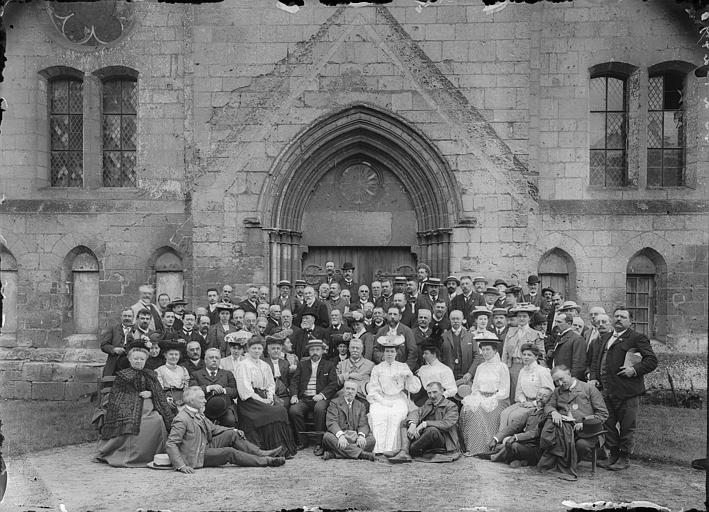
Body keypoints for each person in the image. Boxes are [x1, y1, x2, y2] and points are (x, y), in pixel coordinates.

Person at [590, 308, 658, 471]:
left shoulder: (637, 338)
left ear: (630, 321)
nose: (619, 319)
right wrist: (593, 377)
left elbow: (651, 361)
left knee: (627, 426)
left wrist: (633, 370)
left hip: (628, 391)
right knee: (608, 424)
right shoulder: (605, 337)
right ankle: (613, 455)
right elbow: (596, 361)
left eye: (623, 317)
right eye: (617, 316)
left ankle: (624, 458)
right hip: (606, 390)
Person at [166, 386, 286, 471]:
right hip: (196, 455)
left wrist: (233, 430)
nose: (205, 400)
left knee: (233, 434)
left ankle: (262, 453)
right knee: (229, 452)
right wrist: (181, 466)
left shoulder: (198, 413)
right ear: (191, 401)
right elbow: (171, 444)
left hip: (204, 445)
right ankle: (267, 461)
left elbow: (213, 428)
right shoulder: (182, 419)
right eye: (201, 398)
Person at [96, 341, 174, 467]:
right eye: (135, 359)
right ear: (130, 359)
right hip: (127, 405)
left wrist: (151, 393)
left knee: (157, 420)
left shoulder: (150, 374)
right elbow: (118, 394)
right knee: (137, 422)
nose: (138, 361)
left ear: (146, 360)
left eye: (141, 359)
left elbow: (159, 392)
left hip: (149, 405)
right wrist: (134, 397)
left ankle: (156, 454)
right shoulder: (123, 375)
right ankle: (132, 455)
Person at [539, 365, 609, 480]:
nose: (560, 383)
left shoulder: (588, 389)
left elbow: (603, 414)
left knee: (581, 445)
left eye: (561, 379)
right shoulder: (557, 392)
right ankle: (556, 464)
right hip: (565, 431)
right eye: (556, 381)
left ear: (569, 374)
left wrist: (584, 424)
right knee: (550, 433)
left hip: (588, 432)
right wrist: (553, 412)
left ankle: (566, 465)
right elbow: (549, 405)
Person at [235, 337, 297, 457]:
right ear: (248, 349)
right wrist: (262, 400)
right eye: (254, 348)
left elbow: (270, 384)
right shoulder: (243, 365)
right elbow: (245, 390)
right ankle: (273, 449)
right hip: (250, 402)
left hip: (264, 397)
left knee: (281, 410)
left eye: (259, 348)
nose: (257, 351)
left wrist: (269, 398)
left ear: (263, 349)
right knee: (277, 411)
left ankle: (283, 449)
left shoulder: (265, 365)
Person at [366, 334, 421, 454]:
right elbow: (373, 388)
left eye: (392, 351)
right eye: (387, 351)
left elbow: (414, 389)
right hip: (381, 398)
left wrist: (409, 376)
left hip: (398, 398)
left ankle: (393, 449)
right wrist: (383, 401)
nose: (389, 354)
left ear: (396, 353)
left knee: (396, 414)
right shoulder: (377, 368)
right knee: (377, 414)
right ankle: (379, 448)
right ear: (383, 353)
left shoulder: (403, 366)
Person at [459, 334, 510, 456]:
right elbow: (475, 387)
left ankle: (483, 448)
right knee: (468, 409)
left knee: (477, 413)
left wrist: (490, 399)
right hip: (480, 397)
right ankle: (471, 447)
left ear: (495, 351)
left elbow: (504, 391)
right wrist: (477, 397)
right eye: (483, 350)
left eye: (488, 350)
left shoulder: (502, 367)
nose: (485, 352)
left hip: (497, 400)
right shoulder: (480, 367)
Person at [388, 381, 461, 463]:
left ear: (442, 391)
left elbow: (447, 424)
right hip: (427, 438)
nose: (432, 396)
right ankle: (404, 451)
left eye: (435, 392)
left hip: (444, 443)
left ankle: (405, 451)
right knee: (405, 422)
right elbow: (417, 412)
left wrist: (425, 424)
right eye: (429, 393)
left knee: (432, 430)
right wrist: (413, 424)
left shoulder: (451, 406)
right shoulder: (429, 403)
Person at [289, 339, 339, 455]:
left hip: (320, 398)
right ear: (309, 351)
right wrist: (294, 395)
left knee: (320, 409)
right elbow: (294, 382)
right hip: (304, 398)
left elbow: (333, 384)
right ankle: (302, 441)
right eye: (312, 350)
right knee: (294, 410)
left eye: (317, 350)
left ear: (322, 351)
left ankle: (319, 442)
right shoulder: (302, 364)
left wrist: (322, 395)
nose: (315, 352)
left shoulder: (329, 365)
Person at [488, 386, 553, 468]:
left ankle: (497, 458)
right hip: (525, 446)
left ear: (550, 399)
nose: (541, 398)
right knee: (500, 446)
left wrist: (515, 437)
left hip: (536, 450)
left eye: (545, 396)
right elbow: (514, 426)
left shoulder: (547, 415)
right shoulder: (531, 412)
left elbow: (535, 433)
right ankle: (519, 461)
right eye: (539, 395)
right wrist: (496, 438)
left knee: (513, 445)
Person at [498, 343, 553, 432]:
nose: (526, 357)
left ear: (535, 357)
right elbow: (519, 392)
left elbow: (550, 393)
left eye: (529, 355)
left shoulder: (542, 371)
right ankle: (500, 440)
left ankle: (512, 440)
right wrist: (524, 401)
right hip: (524, 402)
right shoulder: (522, 371)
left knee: (514, 416)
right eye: (524, 354)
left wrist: (534, 403)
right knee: (504, 413)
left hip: (538, 405)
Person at [321, 380, 376, 461]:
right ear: (343, 390)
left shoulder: (360, 405)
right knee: (327, 437)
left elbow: (363, 424)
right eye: (348, 388)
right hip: (339, 437)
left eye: (353, 389)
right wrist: (341, 436)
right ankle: (361, 454)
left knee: (371, 440)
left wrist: (361, 436)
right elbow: (331, 422)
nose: (350, 391)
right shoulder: (334, 403)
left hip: (355, 438)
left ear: (356, 392)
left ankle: (335, 454)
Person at [502, 303, 546, 394]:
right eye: (519, 316)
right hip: (512, 366)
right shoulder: (510, 331)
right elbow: (505, 352)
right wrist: (504, 367)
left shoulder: (536, 334)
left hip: (528, 367)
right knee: (512, 392)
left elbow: (541, 355)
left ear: (529, 318)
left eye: (524, 316)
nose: (521, 319)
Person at [189, 348, 239, 428]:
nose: (214, 360)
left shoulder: (227, 374)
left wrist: (223, 390)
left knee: (230, 420)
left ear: (220, 360)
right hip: (204, 408)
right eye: (211, 357)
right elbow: (192, 391)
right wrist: (209, 388)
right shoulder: (196, 374)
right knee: (198, 424)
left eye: (217, 358)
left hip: (225, 407)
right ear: (205, 360)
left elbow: (235, 392)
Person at [372, 306, 418, 372]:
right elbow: (375, 350)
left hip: (402, 369)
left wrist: (406, 369)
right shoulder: (381, 331)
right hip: (384, 369)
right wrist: (382, 357)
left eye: (395, 314)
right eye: (390, 314)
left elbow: (413, 352)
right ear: (386, 316)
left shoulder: (407, 331)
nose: (392, 317)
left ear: (400, 317)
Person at [440, 310, 478, 385]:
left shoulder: (470, 336)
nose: (456, 321)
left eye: (458, 319)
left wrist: (470, 373)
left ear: (462, 319)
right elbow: (439, 357)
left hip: (466, 376)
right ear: (450, 320)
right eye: (453, 319)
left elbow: (477, 356)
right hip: (449, 376)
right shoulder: (443, 337)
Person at [336, 338, 374, 403]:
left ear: (362, 350)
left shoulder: (370, 365)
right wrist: (349, 375)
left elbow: (374, 384)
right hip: (343, 397)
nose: (355, 350)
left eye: (357, 348)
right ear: (349, 349)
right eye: (352, 348)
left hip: (362, 398)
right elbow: (335, 381)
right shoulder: (342, 364)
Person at [551, 312, 587, 381]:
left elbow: (578, 364)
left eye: (559, 322)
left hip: (568, 380)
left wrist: (571, 380)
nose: (556, 324)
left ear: (569, 324)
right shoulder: (559, 337)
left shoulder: (577, 339)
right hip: (558, 378)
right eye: (555, 322)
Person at [100, 309, 135, 378]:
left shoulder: (137, 330)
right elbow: (104, 345)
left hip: (131, 365)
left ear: (133, 318)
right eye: (125, 316)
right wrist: (114, 349)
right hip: (114, 364)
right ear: (121, 317)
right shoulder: (113, 329)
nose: (127, 318)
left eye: (129, 316)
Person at [155, 342, 191, 407]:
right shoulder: (159, 370)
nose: (174, 357)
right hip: (167, 399)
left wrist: (184, 399)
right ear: (165, 355)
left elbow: (186, 387)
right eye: (171, 354)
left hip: (182, 400)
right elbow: (159, 389)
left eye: (176, 354)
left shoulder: (183, 370)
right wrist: (166, 399)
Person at [263, 337, 292, 407]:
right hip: (268, 393)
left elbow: (289, 380)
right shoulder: (263, 362)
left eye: (278, 348)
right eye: (273, 349)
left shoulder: (285, 363)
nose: (276, 351)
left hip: (283, 394)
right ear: (268, 351)